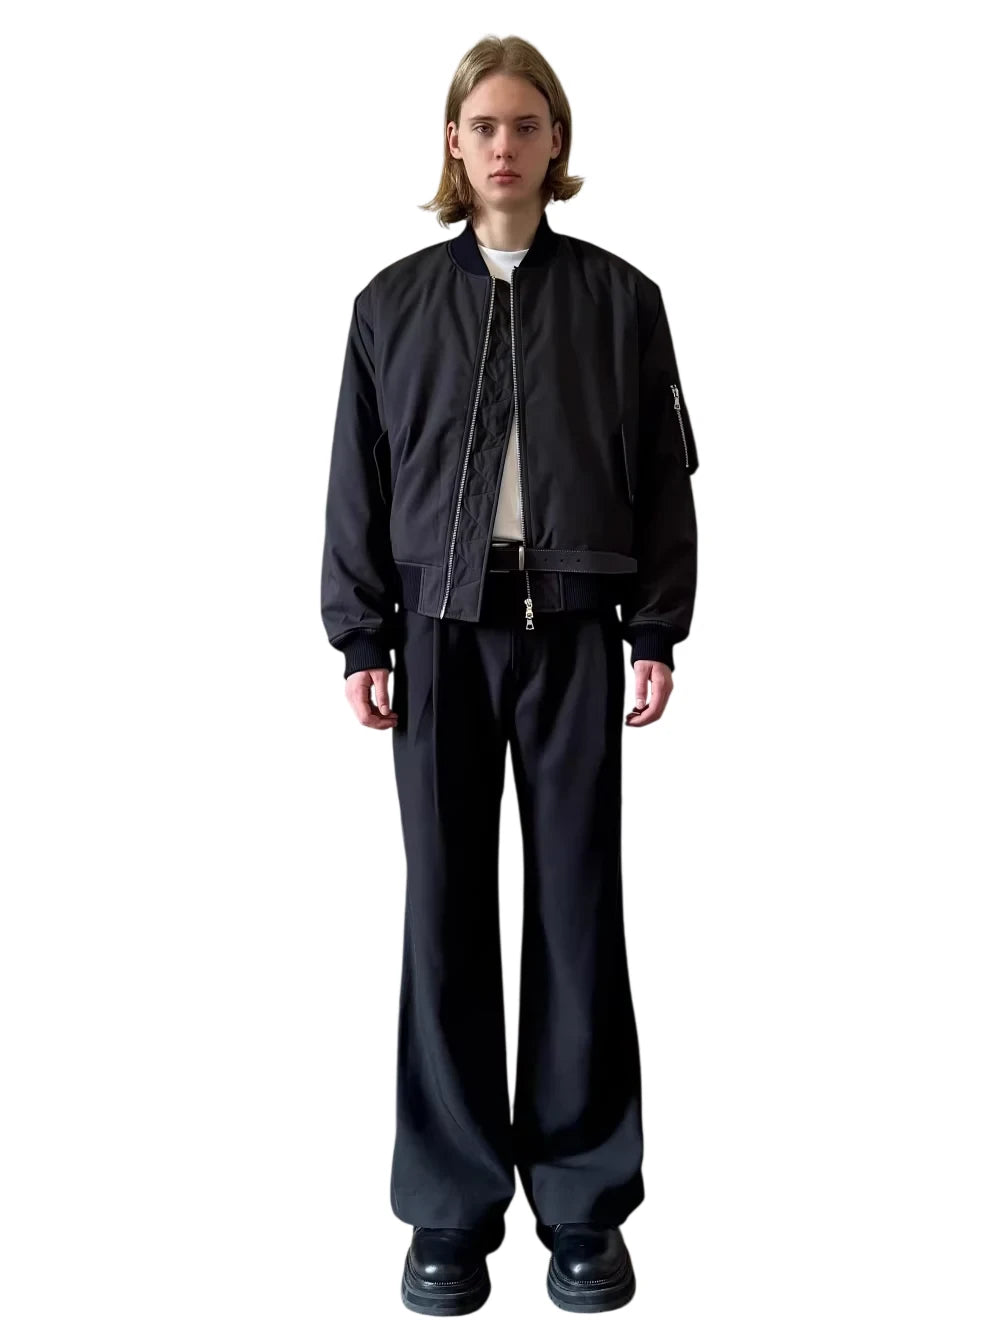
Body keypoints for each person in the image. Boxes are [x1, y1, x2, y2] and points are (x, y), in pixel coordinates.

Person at [320, 33, 699, 1317]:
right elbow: (356, 480)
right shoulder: (389, 305)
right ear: (452, 141)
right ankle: (448, 1210)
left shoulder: (621, 300)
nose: (503, 145)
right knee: (444, 916)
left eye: (526, 124)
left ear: (557, 142)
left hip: (575, 632)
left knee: (577, 912)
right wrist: (361, 636)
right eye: (482, 124)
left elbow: (663, 480)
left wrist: (655, 630)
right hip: (435, 635)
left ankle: (584, 1206)